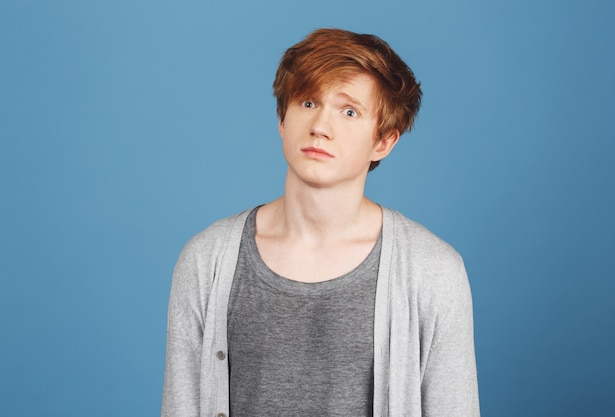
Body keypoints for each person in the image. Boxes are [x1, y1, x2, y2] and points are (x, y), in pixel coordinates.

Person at [161, 28, 480, 417]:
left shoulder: (433, 271)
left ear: (383, 141)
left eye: (349, 111)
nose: (320, 127)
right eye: (308, 102)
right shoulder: (206, 260)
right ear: (283, 119)